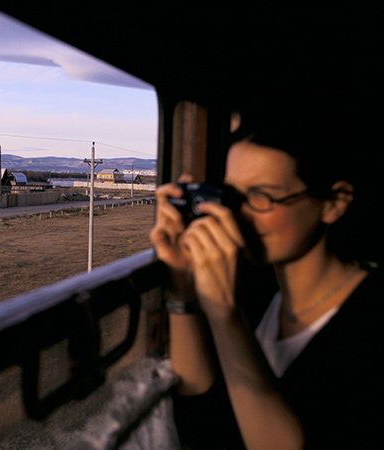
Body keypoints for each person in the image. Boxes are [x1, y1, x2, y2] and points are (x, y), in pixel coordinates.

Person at [150, 106, 383, 449]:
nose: (236, 215)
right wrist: (183, 287)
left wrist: (223, 313)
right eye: (232, 195)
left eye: (261, 197)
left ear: (334, 203)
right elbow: (198, 414)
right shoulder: (255, 288)